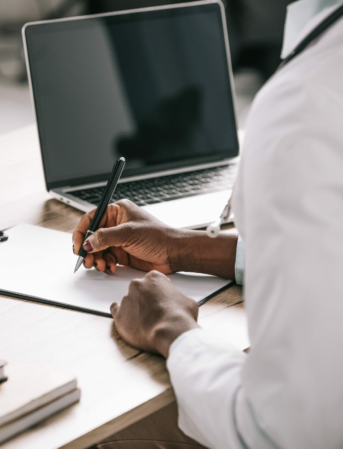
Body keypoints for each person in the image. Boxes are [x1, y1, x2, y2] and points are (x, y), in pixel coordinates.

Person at [73, 1, 343, 447]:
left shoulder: (306, 104)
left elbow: (282, 433)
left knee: (107, 427)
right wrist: (185, 247)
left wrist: (170, 328)